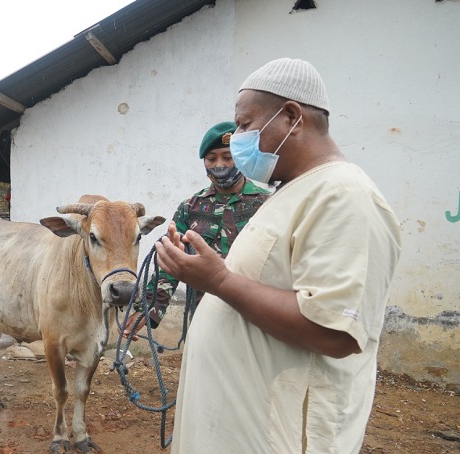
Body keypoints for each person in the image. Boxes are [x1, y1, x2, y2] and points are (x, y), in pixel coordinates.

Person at [156, 58, 402, 452]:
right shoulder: (290, 191)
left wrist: (217, 281)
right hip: (237, 429)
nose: (235, 139)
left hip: (276, 436)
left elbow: (335, 332)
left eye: (244, 125)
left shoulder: (344, 195)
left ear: (291, 117)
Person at [121, 122, 270, 339]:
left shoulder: (266, 204)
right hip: (204, 318)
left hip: (257, 318)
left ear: (241, 157)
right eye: (212, 159)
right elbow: (170, 262)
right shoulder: (190, 207)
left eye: (227, 157)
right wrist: (147, 310)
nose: (220, 164)